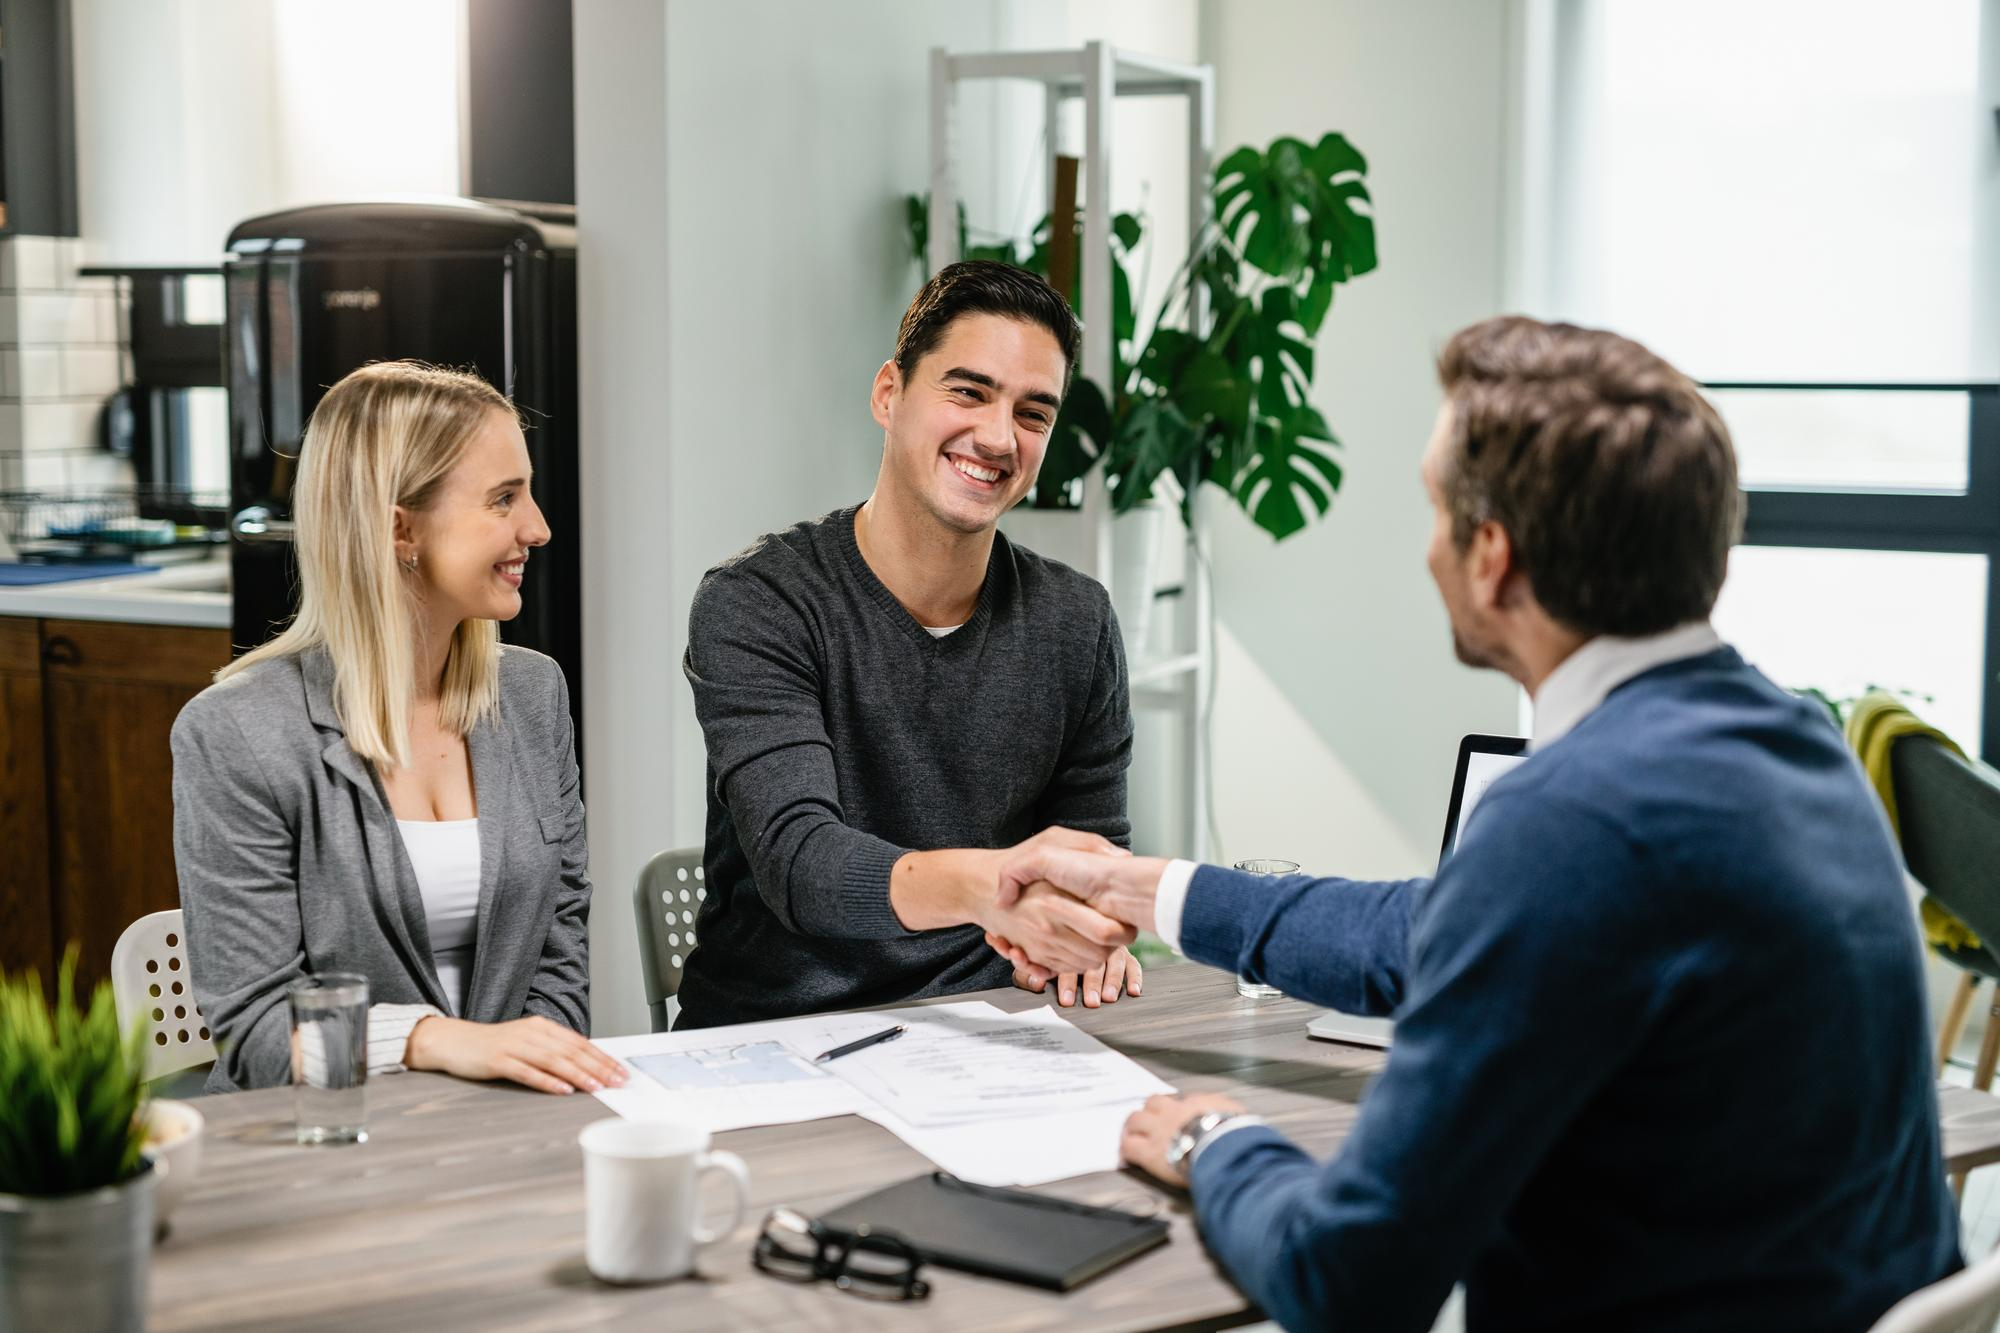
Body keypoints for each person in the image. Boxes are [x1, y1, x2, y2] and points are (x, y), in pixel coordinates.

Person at [990, 317, 1960, 1331]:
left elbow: (1347, 1281)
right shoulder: (1798, 745)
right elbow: (1440, 929)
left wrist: (1217, 1141)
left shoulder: (1571, 822)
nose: (1426, 548)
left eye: (1433, 509)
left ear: (1490, 555)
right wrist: (1146, 886)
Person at [676, 260, 1139, 1029]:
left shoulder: (1076, 621)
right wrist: (1002, 886)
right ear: (889, 393)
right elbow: (805, 865)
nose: (997, 436)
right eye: (968, 391)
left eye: (1034, 413)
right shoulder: (759, 603)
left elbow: (1090, 862)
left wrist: (1095, 929)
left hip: (996, 1030)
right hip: (779, 1041)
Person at [173, 362, 626, 1099]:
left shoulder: (533, 694)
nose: (537, 527)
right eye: (503, 498)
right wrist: (435, 1041)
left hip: (508, 1132)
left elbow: (561, 946)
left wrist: (510, 1101)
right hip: (323, 1141)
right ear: (399, 527)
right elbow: (257, 1037)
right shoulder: (236, 732)